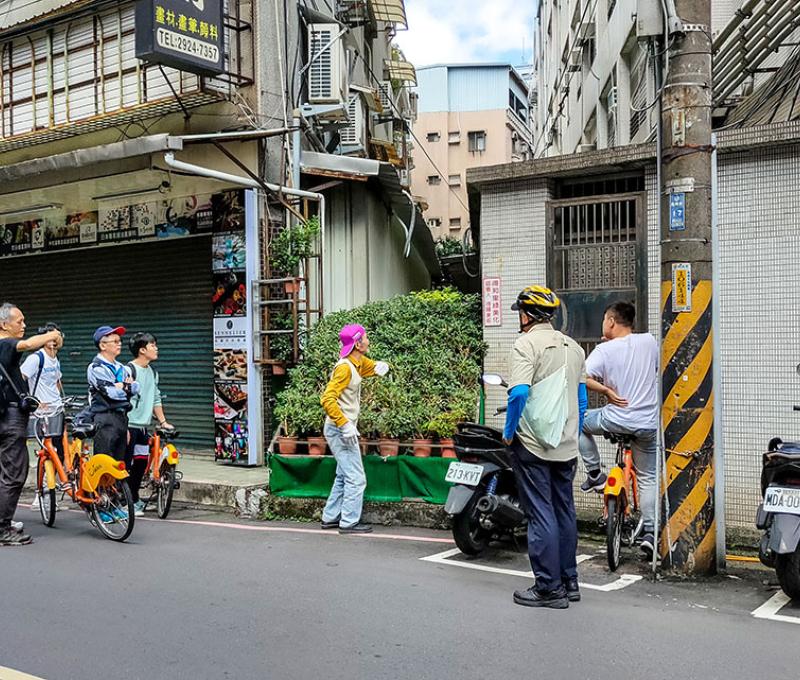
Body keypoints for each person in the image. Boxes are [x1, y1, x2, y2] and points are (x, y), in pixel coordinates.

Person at [502, 286, 587, 609]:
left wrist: (510, 432)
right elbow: (581, 401)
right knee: (564, 509)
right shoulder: (575, 347)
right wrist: (571, 435)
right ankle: (570, 581)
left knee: (540, 513)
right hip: (566, 445)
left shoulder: (526, 345)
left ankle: (549, 588)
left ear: (526, 315)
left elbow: (519, 393)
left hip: (534, 443)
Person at [579, 301, 659, 558]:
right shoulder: (649, 342)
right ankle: (650, 533)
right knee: (648, 477)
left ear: (611, 322)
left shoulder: (604, 350)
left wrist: (605, 390)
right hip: (647, 423)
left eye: (604, 320)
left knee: (577, 423)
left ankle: (594, 474)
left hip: (615, 419)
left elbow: (583, 377)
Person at [0, 303, 64, 546]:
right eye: (20, 321)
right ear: (4, 325)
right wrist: (52, 334)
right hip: (11, 418)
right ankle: (2, 528)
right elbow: (26, 345)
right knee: (14, 473)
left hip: (3, 414)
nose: (24, 325)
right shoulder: (6, 343)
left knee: (4, 471)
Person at [319, 324, 389, 534]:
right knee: (356, 478)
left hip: (341, 428)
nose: (368, 341)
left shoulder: (356, 363)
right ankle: (349, 522)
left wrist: (380, 366)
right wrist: (344, 424)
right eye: (366, 338)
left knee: (343, 474)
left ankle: (330, 516)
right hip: (341, 430)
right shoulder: (344, 368)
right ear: (358, 344)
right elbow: (327, 399)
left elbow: (369, 367)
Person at [126, 332, 173, 517]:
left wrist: (163, 422)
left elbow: (155, 398)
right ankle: (124, 501)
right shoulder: (129, 370)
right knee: (126, 465)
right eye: (152, 345)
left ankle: (133, 498)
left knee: (140, 463)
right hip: (129, 425)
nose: (156, 348)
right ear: (142, 350)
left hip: (142, 426)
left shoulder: (152, 372)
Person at [87, 326, 139, 462]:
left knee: (119, 463)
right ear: (103, 345)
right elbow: (111, 393)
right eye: (115, 341)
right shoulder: (96, 367)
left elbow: (136, 388)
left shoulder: (122, 368)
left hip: (122, 418)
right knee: (105, 463)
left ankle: (117, 485)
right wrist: (126, 386)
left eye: (119, 340)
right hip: (105, 418)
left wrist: (123, 386)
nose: (119, 344)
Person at [21, 322, 65, 460]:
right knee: (47, 450)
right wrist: (32, 401)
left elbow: (57, 381)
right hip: (42, 412)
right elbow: (20, 380)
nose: (53, 340)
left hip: (57, 408)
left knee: (61, 450)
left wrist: (60, 399)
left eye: (56, 336)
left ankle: (59, 480)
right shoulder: (35, 359)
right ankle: (45, 480)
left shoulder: (55, 359)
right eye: (50, 336)